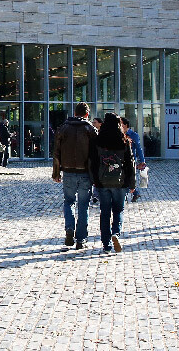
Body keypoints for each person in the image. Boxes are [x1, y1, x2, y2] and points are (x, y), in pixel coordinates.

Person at [52, 102, 98, 250]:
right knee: (84, 206)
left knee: (69, 202)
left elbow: (57, 152)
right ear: (86, 114)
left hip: (69, 171)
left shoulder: (64, 128)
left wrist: (56, 172)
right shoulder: (90, 129)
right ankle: (81, 239)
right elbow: (96, 154)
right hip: (85, 172)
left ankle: (69, 228)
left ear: (75, 112)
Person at [90, 113, 136, 254]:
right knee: (118, 210)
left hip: (103, 182)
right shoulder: (124, 141)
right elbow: (130, 164)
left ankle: (106, 244)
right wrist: (132, 184)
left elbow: (93, 163)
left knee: (105, 213)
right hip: (120, 182)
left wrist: (95, 181)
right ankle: (115, 233)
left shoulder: (97, 141)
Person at [123, 117, 147, 202]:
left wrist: (142, 161)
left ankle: (133, 193)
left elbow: (139, 148)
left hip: (131, 159)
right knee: (125, 177)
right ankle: (135, 193)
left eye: (121, 124)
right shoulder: (119, 134)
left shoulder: (133, 135)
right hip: (122, 159)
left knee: (130, 176)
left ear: (125, 125)